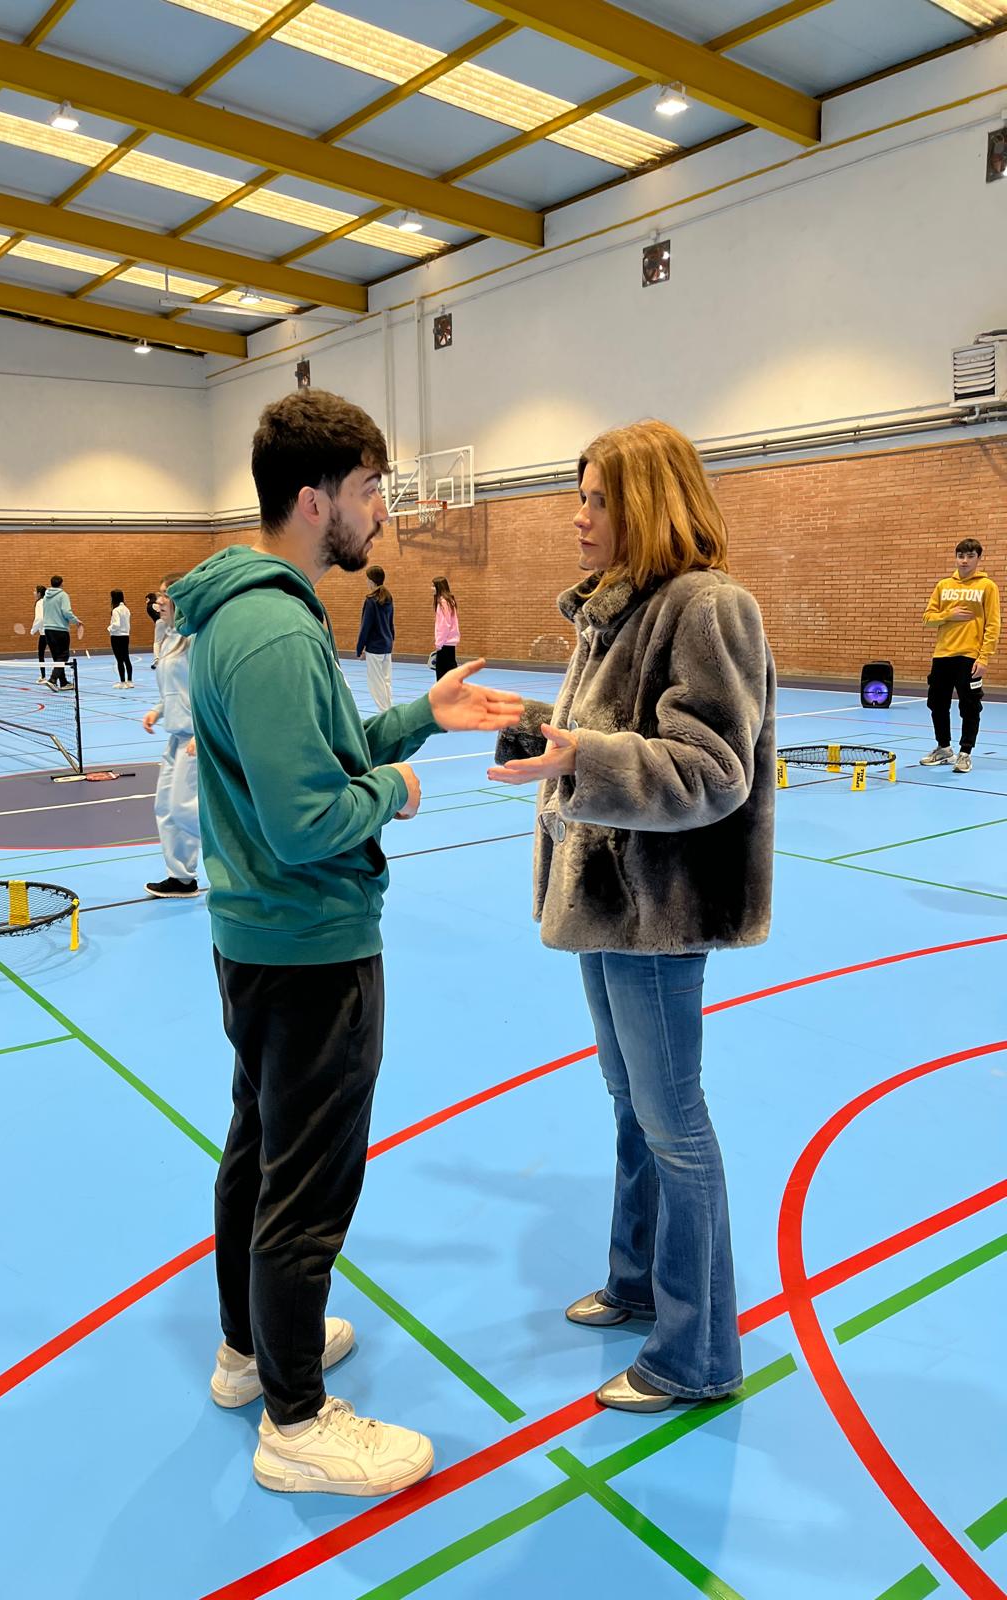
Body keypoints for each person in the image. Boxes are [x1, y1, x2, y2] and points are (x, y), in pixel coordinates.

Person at [168, 389, 522, 1496]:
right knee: (305, 1182)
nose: (384, 512)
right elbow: (309, 816)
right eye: (372, 491)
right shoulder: (274, 626)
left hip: (263, 936)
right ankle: (296, 1420)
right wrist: (403, 786)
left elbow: (320, 757)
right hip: (308, 941)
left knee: (259, 1147)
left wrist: (422, 718)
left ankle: (248, 1349)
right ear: (317, 500)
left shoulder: (259, 611)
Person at [488, 419, 775, 1415]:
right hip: (607, 904)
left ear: (648, 502)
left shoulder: (708, 607)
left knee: (674, 1122)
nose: (578, 515)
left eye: (597, 497)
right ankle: (638, 1278)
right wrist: (556, 745)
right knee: (627, 1102)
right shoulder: (614, 613)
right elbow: (601, 744)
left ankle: (696, 1355)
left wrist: (582, 758)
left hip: (661, 912)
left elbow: (712, 771)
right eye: (580, 494)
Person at [141, 575, 201, 898]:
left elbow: (208, 690)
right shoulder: (167, 637)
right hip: (176, 737)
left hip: (197, 739)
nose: (159, 600)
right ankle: (182, 878)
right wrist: (158, 709)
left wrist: (203, 733)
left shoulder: (196, 639)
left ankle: (243, 851)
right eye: (159, 594)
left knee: (184, 808)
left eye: (166, 595)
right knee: (164, 807)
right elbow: (175, 690)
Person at [920, 538, 999, 773]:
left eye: (970, 556)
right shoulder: (944, 585)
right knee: (937, 703)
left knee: (970, 706)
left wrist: (984, 657)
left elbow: (993, 624)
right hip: (943, 655)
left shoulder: (987, 586)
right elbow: (927, 618)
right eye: (960, 556)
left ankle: (965, 752)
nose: (964, 561)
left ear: (978, 559)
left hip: (970, 657)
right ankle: (944, 748)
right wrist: (948, 614)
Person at [355, 564, 395, 711]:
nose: (366, 582)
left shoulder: (371, 601)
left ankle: (385, 714)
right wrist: (391, 641)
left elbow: (365, 627)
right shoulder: (389, 598)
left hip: (375, 648)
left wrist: (360, 648)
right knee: (386, 681)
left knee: (376, 684)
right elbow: (391, 624)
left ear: (372, 581)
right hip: (387, 645)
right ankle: (389, 709)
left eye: (367, 579)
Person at [41, 576, 80, 691]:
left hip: (47, 630)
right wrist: (76, 621)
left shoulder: (45, 597)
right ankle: (52, 680)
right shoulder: (63, 595)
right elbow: (66, 611)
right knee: (63, 655)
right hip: (60, 630)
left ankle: (63, 683)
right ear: (61, 584)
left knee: (57, 657)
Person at [432, 576, 459, 680]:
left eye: (433, 586)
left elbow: (444, 625)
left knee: (442, 674)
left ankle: (444, 695)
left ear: (439, 587)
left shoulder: (443, 603)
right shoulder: (449, 601)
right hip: (449, 643)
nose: (432, 588)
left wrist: (439, 643)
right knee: (451, 672)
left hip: (445, 644)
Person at [108, 588, 133, 689]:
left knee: (119, 660)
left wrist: (110, 628)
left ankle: (122, 682)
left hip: (116, 637)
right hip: (125, 636)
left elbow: (116, 624)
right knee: (126, 658)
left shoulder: (116, 610)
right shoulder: (126, 609)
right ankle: (130, 681)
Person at [30, 584, 48, 683]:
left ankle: (43, 677)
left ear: (39, 593)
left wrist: (33, 630)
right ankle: (59, 678)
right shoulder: (48, 601)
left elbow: (39, 618)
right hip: (54, 631)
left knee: (41, 655)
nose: (33, 593)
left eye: (35, 591)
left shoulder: (39, 603)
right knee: (56, 656)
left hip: (44, 634)